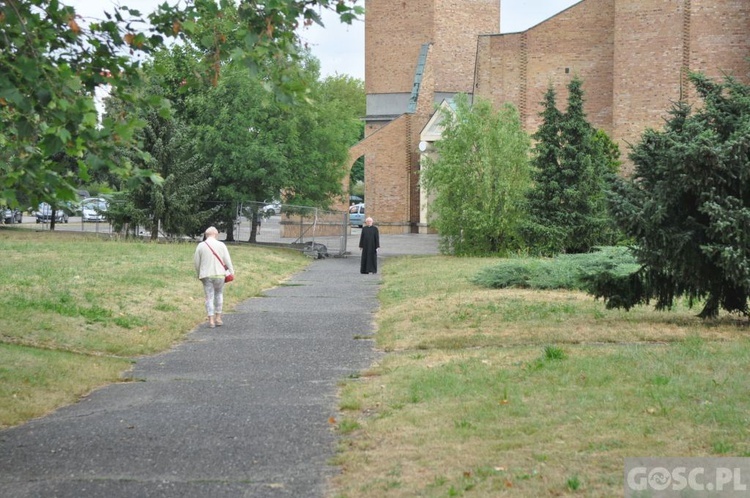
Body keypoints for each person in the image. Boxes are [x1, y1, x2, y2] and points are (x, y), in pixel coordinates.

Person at [194, 226, 235, 328]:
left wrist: (199, 273)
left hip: (206, 275)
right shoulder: (221, 245)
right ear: (216, 234)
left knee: (209, 297)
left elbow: (196, 262)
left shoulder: (201, 246)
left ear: (205, 235)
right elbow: (227, 260)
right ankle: (218, 318)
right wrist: (231, 271)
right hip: (220, 274)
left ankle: (211, 320)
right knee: (219, 294)